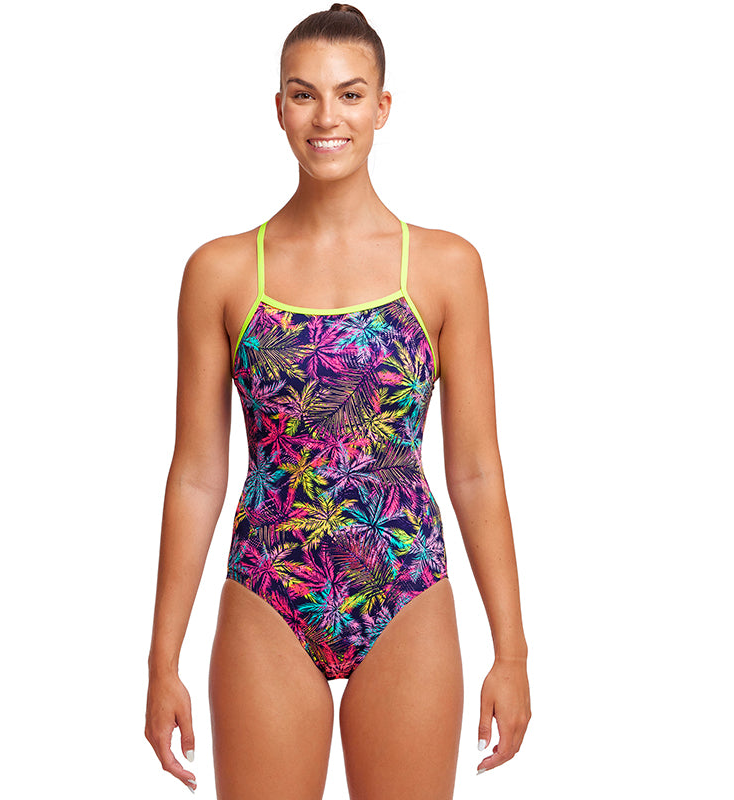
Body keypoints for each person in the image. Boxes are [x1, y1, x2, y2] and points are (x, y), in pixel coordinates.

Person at [144, 4, 531, 797]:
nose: (327, 117)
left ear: (382, 107)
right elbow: (196, 476)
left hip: (405, 588)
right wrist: (161, 659)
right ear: (278, 107)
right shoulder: (221, 272)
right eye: (304, 94)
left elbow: (476, 471)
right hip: (267, 590)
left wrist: (513, 652)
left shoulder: (445, 267)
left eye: (350, 95)